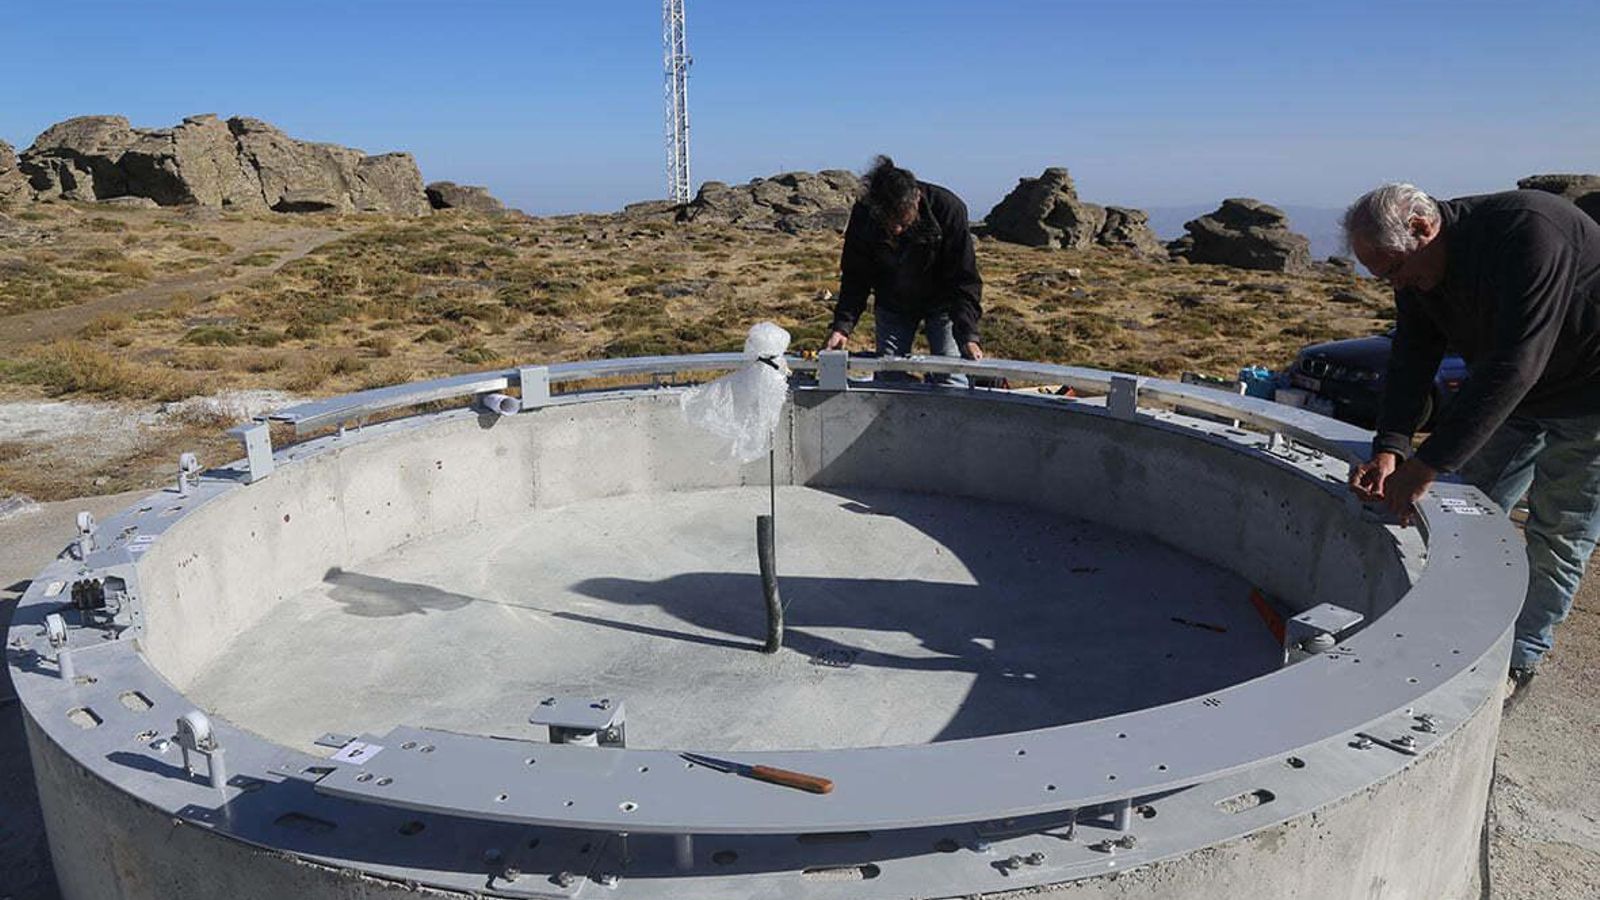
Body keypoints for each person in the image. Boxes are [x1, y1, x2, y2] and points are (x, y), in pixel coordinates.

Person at [1343, 183, 1600, 701]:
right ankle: (1458, 635)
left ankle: (1517, 660)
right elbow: (1413, 354)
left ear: (1421, 228)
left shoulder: (1529, 231)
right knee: (1471, 516)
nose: (1397, 284)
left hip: (1588, 394)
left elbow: (1518, 362)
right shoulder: (1416, 271)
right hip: (1512, 394)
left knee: (1558, 533)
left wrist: (1430, 461)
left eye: (1393, 270)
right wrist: (1392, 446)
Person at [824, 156, 983, 385]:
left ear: (916, 198)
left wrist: (967, 334)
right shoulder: (864, 214)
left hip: (944, 305)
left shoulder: (949, 209)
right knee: (889, 376)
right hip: (893, 303)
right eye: (887, 222)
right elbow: (855, 276)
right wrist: (842, 327)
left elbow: (964, 278)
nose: (896, 229)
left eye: (902, 220)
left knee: (950, 374)